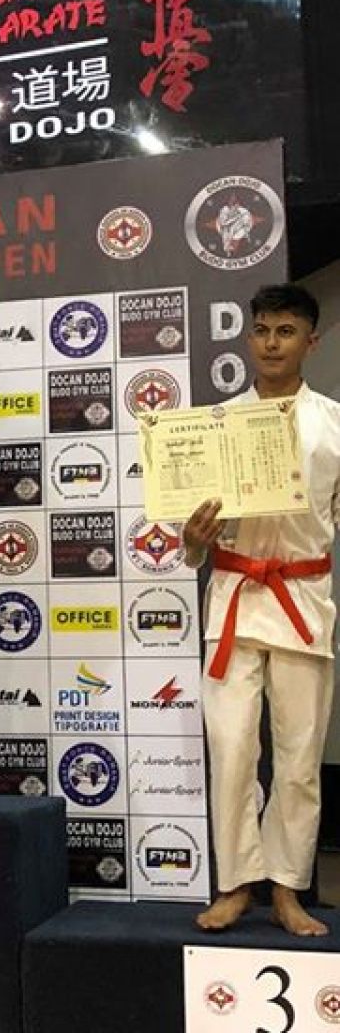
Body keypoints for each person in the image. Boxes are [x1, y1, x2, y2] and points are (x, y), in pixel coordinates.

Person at [183, 283, 339, 935]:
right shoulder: (216, 423)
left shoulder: (333, 423)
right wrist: (193, 541)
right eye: (262, 331)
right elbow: (190, 538)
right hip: (235, 598)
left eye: (285, 331)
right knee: (231, 749)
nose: (271, 343)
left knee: (299, 758)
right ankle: (235, 884)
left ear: (311, 342)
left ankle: (287, 889)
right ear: (249, 338)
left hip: (303, 600)